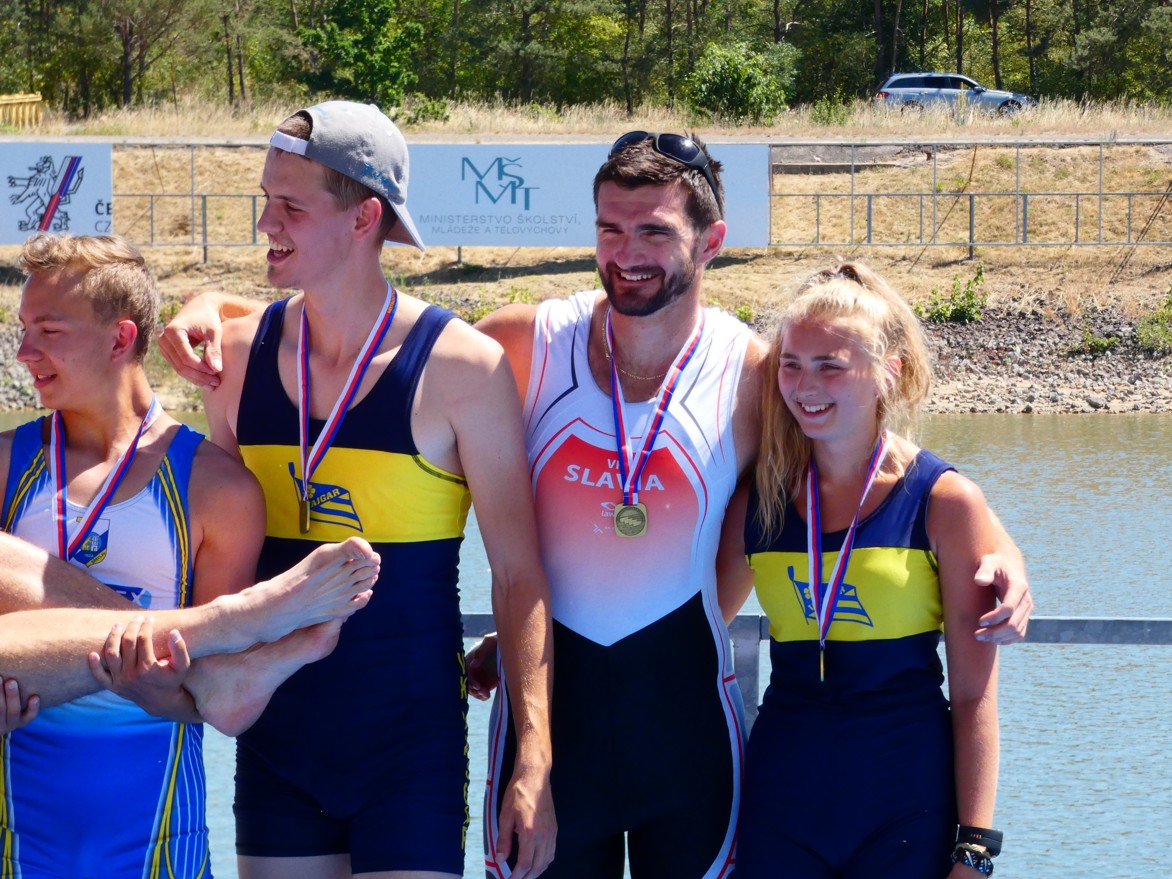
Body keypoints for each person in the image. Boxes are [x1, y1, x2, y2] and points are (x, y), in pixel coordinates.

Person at [161, 131, 1032, 879]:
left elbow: (878, 467)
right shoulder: (522, 341)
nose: (627, 252)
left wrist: (1001, 549)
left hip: (688, 733)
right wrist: (210, 304)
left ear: (712, 240)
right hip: (551, 734)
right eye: (610, 229)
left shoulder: (756, 372)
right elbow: (369, 327)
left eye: (654, 231)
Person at [163, 100, 556, 879]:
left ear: (364, 217)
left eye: (291, 206)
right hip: (276, 737)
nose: (265, 223)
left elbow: (518, 574)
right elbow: (214, 566)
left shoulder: (463, 368)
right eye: (266, 200)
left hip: (410, 750)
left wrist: (533, 758)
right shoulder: (233, 360)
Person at [0, 232, 380, 878]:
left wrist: (161, 687)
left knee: (209, 678)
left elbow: (201, 695)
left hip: (156, 849)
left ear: (120, 339)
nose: (23, 352)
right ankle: (230, 621)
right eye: (23, 329)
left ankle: (219, 633)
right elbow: (215, 688)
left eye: (48, 331)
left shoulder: (217, 489)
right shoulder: (6, 464)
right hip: (16, 843)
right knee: (212, 665)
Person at [723, 262, 1002, 878]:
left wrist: (976, 848)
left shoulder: (944, 502)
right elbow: (692, 627)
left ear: (887, 371)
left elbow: (975, 694)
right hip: (782, 800)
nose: (805, 386)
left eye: (831, 366)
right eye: (792, 364)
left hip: (905, 804)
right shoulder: (757, 503)